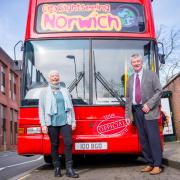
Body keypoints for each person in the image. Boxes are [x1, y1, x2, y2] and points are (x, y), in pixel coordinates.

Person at [125, 54, 163, 175]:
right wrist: (128, 115)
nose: (136, 63)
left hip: (149, 111)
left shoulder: (151, 75)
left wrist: (149, 104)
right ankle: (149, 162)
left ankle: (157, 164)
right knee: (143, 139)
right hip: (136, 112)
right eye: (134, 62)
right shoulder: (130, 79)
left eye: (138, 61)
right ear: (132, 64)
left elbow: (159, 91)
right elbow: (128, 98)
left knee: (153, 138)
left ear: (142, 62)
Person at [39, 70, 79, 178]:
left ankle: (69, 169)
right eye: (52, 76)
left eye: (56, 76)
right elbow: (41, 109)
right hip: (51, 122)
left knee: (68, 143)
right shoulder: (44, 92)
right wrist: (43, 124)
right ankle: (57, 168)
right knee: (54, 144)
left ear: (59, 77)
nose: (55, 78)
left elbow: (71, 108)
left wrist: (73, 121)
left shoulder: (65, 90)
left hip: (65, 121)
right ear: (49, 78)